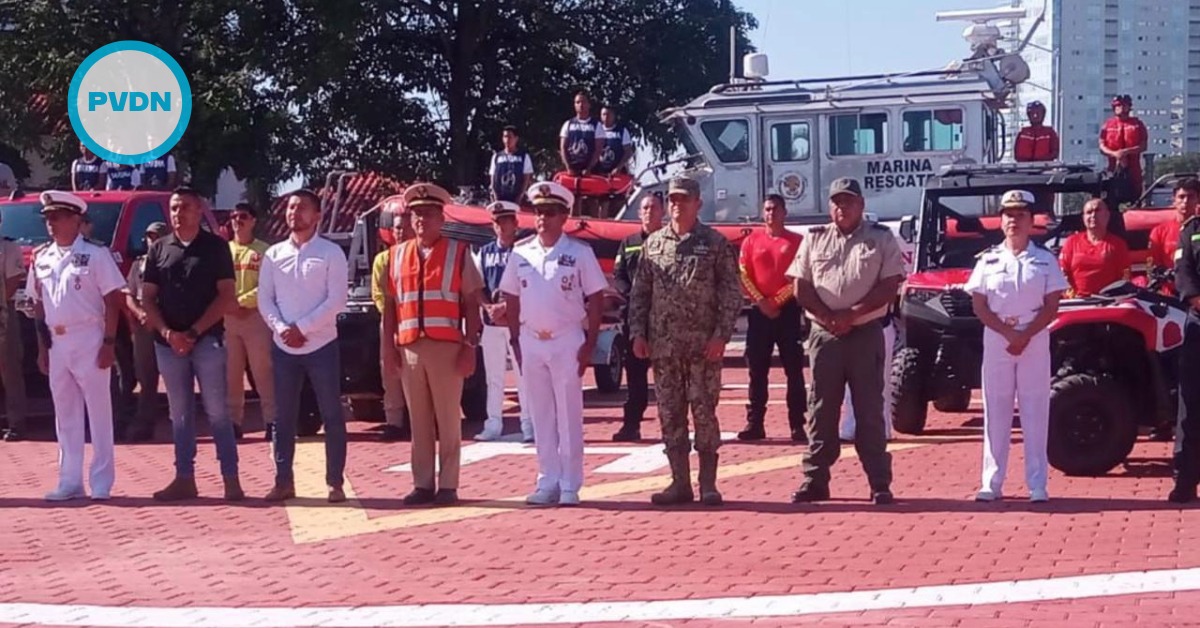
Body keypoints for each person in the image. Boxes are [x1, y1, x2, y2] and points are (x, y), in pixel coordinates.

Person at [787, 177, 904, 505]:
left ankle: (879, 482)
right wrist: (828, 318)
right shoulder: (815, 238)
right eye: (837, 202)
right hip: (824, 335)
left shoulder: (881, 238)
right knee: (821, 409)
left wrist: (851, 315)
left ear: (861, 205)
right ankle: (815, 480)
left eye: (849, 201)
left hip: (865, 333)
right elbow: (801, 286)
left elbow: (889, 285)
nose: (842, 207)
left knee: (869, 410)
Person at [629, 176, 742, 506]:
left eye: (684, 199)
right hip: (664, 348)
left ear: (698, 204)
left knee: (704, 414)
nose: (677, 205)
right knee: (670, 415)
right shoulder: (654, 244)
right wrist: (638, 333)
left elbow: (731, 294)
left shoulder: (714, 243)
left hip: (702, 349)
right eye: (673, 200)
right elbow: (640, 293)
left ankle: (708, 484)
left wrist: (721, 335)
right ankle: (679, 482)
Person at [501, 183, 606, 506]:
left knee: (569, 414)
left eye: (550, 213)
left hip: (566, 339)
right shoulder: (521, 253)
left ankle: (570, 483)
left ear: (564, 217)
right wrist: (515, 340)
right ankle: (547, 480)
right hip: (531, 339)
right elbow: (510, 295)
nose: (543, 219)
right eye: (538, 212)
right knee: (541, 414)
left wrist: (590, 343)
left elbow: (596, 297)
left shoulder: (579, 253)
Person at [383, 183, 484, 506]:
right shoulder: (396, 255)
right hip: (410, 347)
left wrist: (470, 347)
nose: (421, 220)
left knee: (448, 419)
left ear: (442, 218)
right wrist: (388, 350)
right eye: (416, 214)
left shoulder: (458, 252)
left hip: (446, 347)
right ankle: (422, 484)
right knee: (419, 420)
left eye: (428, 214)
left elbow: (471, 304)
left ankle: (449, 485)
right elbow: (390, 307)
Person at [142, 187, 243, 502]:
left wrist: (194, 332)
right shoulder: (159, 249)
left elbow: (226, 296)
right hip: (168, 344)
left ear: (200, 211)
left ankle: (231, 478)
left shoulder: (216, 248)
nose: (178, 213)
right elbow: (148, 297)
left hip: (207, 340)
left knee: (217, 411)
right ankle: (184, 478)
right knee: (180, 414)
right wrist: (168, 333)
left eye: (185, 207)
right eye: (174, 208)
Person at [965, 190, 1067, 503]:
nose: (1014, 220)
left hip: (1034, 337)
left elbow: (1052, 305)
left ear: (1032, 221)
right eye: (1008, 215)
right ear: (1000, 221)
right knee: (996, 410)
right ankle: (991, 482)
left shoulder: (1045, 260)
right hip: (998, 338)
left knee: (1035, 411)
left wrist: (1025, 335)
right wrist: (1009, 335)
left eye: (1021, 215)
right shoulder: (987, 260)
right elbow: (979, 305)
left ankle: (1037, 484)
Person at [25, 191, 125, 500]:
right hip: (57, 341)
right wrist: (42, 347)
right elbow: (37, 303)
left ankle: (101, 482)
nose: (50, 224)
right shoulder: (42, 257)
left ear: (75, 220)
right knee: (65, 414)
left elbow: (113, 299)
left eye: (56, 218)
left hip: (89, 336)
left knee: (98, 412)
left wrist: (109, 342)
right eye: (47, 219)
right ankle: (69, 480)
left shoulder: (95, 254)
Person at [258, 190, 350, 503]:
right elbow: (265, 299)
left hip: (322, 345)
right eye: (291, 207)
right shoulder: (274, 254)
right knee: (283, 417)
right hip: (284, 347)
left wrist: (303, 327)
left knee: (331, 414)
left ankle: (335, 483)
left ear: (317, 216)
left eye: (302, 208)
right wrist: (283, 329)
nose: (294, 213)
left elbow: (337, 300)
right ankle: (283, 481)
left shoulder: (331, 253)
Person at [737, 194, 806, 443]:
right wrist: (761, 301)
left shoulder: (797, 241)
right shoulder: (751, 241)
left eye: (775, 209)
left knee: (794, 370)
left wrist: (777, 301)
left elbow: (800, 275)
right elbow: (743, 274)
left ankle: (798, 425)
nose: (771, 213)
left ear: (784, 212)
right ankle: (755, 423)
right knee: (757, 370)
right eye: (767, 209)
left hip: (788, 311)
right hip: (759, 312)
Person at [474, 200, 533, 443]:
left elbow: (530, 286)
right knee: (493, 376)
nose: (501, 226)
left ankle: (528, 423)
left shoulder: (525, 252)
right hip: (492, 324)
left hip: (519, 323)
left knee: (523, 374)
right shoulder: (484, 252)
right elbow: (476, 285)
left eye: (506, 221)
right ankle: (493, 423)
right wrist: (488, 307)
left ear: (515, 223)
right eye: (497, 221)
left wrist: (505, 307)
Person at [611, 194, 664, 442]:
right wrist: (634, 296)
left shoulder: (672, 241)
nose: (649, 212)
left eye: (653, 207)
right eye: (645, 208)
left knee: (670, 378)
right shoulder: (628, 243)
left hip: (665, 319)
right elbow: (619, 274)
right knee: (635, 376)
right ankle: (631, 425)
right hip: (635, 320)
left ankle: (674, 427)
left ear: (662, 212)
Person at [221, 202, 276, 441]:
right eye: (233, 216)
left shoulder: (265, 251)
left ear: (253, 220)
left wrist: (242, 302)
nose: (237, 221)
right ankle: (233, 422)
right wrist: (230, 305)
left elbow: (268, 286)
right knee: (231, 374)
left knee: (263, 371)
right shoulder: (223, 251)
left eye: (243, 216)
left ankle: (272, 421)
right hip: (228, 320)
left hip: (256, 318)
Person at [122, 221, 169, 442]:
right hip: (144, 326)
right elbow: (129, 295)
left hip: (168, 323)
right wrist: (140, 314)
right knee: (146, 375)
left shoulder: (173, 260)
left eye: (157, 236)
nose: (152, 241)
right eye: (150, 237)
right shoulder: (138, 264)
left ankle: (181, 420)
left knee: (177, 375)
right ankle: (145, 421)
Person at [1170, 180, 1200, 503]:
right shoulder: (1191, 231)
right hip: (1198, 325)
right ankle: (1185, 481)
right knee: (1190, 406)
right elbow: (1184, 272)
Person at [371, 199, 411, 442]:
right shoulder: (383, 259)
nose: (401, 232)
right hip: (389, 324)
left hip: (415, 323)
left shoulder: (420, 256)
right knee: (390, 372)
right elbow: (378, 293)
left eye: (405, 227)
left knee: (416, 373)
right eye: (397, 228)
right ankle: (394, 422)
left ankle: (420, 421)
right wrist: (390, 318)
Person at [839, 304, 897, 442]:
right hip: (849, 328)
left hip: (880, 326)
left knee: (880, 383)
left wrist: (852, 313)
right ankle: (850, 429)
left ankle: (882, 430)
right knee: (850, 381)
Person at [1059, 199, 1129, 297]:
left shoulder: (1118, 245)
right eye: (1089, 212)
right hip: (1077, 300)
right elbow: (1062, 273)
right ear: (1083, 218)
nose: (1093, 215)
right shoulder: (1071, 242)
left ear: (1107, 215)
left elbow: (1125, 277)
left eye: (1097, 211)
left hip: (1108, 300)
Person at [0, 217, 27, 442]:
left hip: (3, 312)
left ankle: (16, 421)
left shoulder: (8, 247)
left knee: (9, 368)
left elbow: (13, 281)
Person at [1099, 95, 1148, 203]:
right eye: (1118, 105)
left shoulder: (1138, 124)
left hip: (1133, 168)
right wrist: (1114, 154)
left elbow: (1143, 146)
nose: (1120, 108)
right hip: (1113, 167)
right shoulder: (1107, 125)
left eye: (1124, 105)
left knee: (1135, 196)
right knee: (1111, 196)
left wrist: (1126, 152)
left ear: (1129, 107)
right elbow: (1102, 146)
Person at [1149, 178, 1200, 280]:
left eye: (1190, 197)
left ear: (1198, 200)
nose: (1185, 201)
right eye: (1181, 197)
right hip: (1170, 288)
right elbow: (1152, 267)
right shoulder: (1159, 232)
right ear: (1174, 200)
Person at [559, 91, 603, 176]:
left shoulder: (597, 125)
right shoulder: (568, 124)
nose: (581, 105)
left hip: (591, 171)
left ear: (589, 105)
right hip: (571, 169)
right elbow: (563, 147)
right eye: (577, 102)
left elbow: (598, 150)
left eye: (583, 102)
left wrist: (589, 168)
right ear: (574, 105)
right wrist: (568, 167)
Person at [489, 126, 534, 204]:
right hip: (499, 199)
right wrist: (495, 197)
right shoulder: (496, 157)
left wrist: (520, 197)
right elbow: (493, 178)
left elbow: (526, 179)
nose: (507, 140)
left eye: (510, 137)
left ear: (516, 138)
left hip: (518, 200)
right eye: (505, 137)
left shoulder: (524, 157)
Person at [594, 106, 633, 177]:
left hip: (618, 173)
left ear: (614, 116)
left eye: (608, 114)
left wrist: (618, 168)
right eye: (604, 114)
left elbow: (628, 152)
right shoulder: (596, 130)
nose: (606, 117)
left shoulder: (622, 131)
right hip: (598, 173)